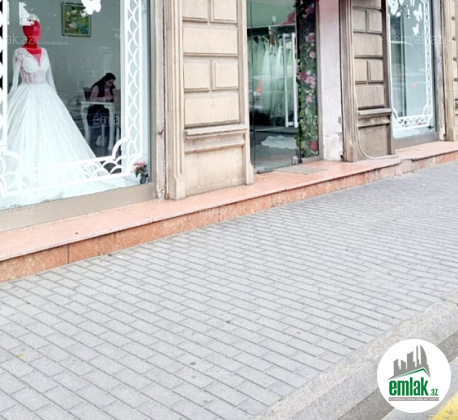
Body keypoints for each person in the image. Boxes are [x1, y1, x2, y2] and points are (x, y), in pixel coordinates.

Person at [87, 73, 116, 145]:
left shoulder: (112, 88)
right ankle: (104, 137)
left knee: (114, 118)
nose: (111, 84)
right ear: (105, 80)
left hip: (109, 110)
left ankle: (108, 137)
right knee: (108, 118)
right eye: (109, 82)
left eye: (112, 83)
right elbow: (92, 99)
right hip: (97, 110)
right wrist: (104, 99)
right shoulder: (98, 87)